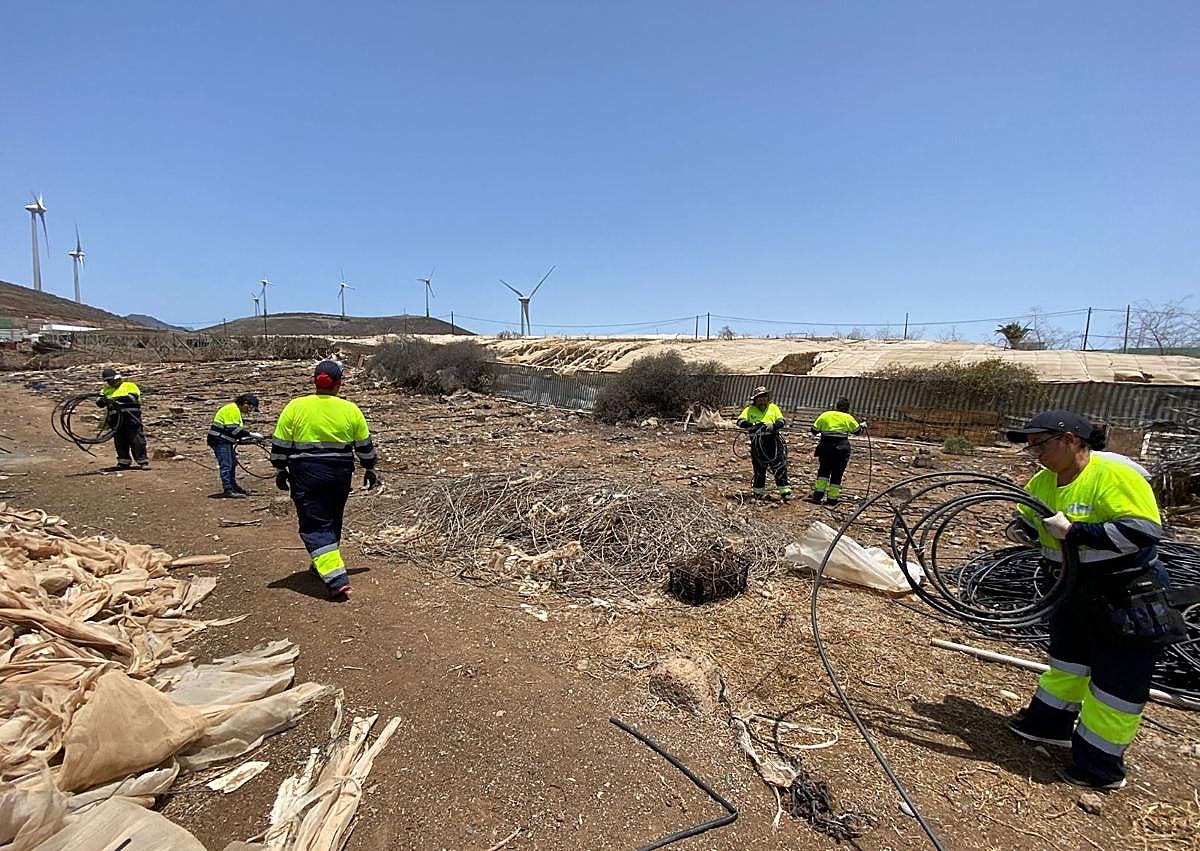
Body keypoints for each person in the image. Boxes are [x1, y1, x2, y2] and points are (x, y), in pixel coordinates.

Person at [1006, 409, 1173, 791]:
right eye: (1031, 447)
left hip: (1123, 595)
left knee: (1116, 684)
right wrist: (1022, 530)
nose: (1035, 454)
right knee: (1067, 664)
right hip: (1071, 591)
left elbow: (1142, 532)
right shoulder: (1042, 481)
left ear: (1070, 440)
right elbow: (1027, 520)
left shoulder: (1113, 475)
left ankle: (1099, 766)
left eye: (1040, 445)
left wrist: (1075, 532)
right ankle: (1048, 726)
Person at [271, 360, 380, 599]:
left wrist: (279, 469)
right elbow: (364, 446)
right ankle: (321, 563)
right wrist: (370, 468)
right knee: (331, 518)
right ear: (339, 384)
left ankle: (335, 579)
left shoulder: (295, 407)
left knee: (314, 524)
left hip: (306, 473)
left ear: (315, 381)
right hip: (340, 474)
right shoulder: (350, 409)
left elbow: (279, 445)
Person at [736, 386, 791, 500]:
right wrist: (753, 425)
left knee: (779, 465)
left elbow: (781, 421)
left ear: (768, 399)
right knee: (759, 468)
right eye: (760, 399)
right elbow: (740, 421)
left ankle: (784, 491)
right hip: (757, 444)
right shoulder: (749, 410)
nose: (762, 401)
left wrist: (773, 426)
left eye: (764, 398)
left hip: (773, 442)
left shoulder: (773, 408)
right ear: (755, 400)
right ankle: (758, 492)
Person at [808, 398, 866, 505]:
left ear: (836, 406)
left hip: (825, 448)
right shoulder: (848, 417)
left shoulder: (826, 415)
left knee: (823, 471)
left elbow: (814, 430)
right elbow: (857, 432)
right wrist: (862, 426)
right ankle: (832, 499)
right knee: (837, 474)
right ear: (847, 408)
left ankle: (817, 496)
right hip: (841, 449)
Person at [206, 393, 264, 498]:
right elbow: (232, 429)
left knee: (232, 463)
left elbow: (235, 432)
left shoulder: (236, 410)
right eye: (250, 408)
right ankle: (228, 489)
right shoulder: (232, 409)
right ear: (245, 403)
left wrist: (247, 438)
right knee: (226, 464)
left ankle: (233, 487)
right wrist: (250, 434)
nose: (249, 411)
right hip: (219, 440)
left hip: (224, 440)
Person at [96, 367, 150, 470]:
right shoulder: (105, 390)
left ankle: (142, 461)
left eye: (112, 380)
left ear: (118, 378)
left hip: (131, 418)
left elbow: (133, 398)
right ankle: (123, 462)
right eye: (108, 381)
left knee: (136, 439)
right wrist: (104, 401)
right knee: (120, 440)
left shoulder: (129, 386)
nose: (111, 383)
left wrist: (115, 399)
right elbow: (99, 403)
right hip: (116, 420)